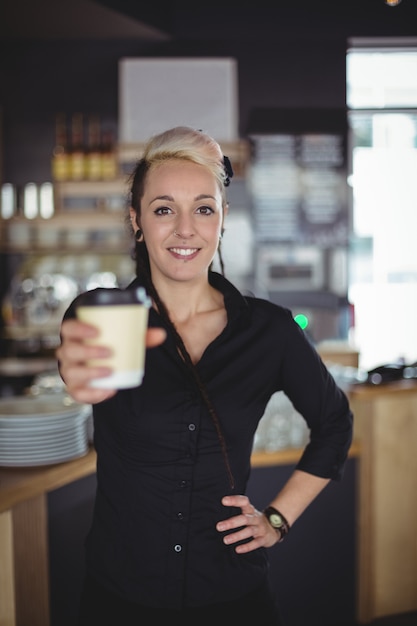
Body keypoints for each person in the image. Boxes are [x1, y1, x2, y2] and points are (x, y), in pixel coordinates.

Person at [56, 126, 353, 626]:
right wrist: (75, 373)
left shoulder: (269, 330)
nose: (185, 230)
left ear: (223, 218)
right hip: (120, 595)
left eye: (204, 208)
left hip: (233, 594)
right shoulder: (100, 317)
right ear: (137, 220)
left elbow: (334, 424)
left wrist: (277, 520)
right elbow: (76, 366)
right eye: (164, 208)